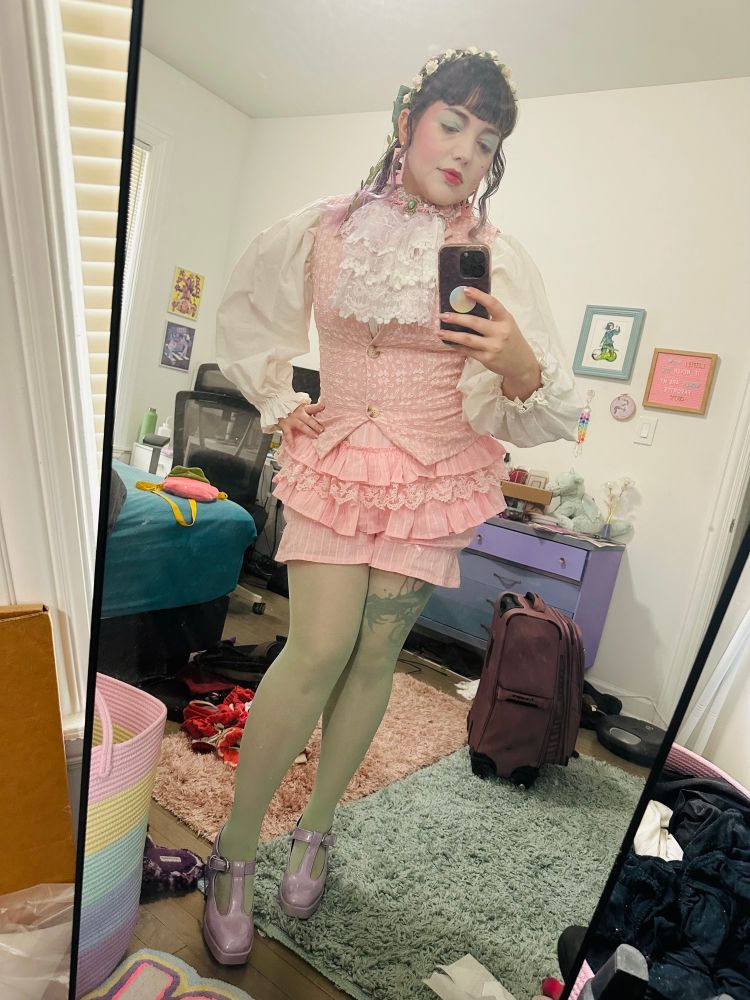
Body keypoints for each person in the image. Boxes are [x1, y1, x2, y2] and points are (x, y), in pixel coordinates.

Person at [206, 47, 582, 966]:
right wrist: (278, 399)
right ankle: (233, 851)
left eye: (488, 142)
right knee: (320, 646)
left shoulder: (496, 259)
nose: (466, 151)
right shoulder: (325, 227)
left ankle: (320, 830)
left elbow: (532, 398)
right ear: (409, 118)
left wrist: (518, 361)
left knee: (376, 654)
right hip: (338, 459)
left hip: (435, 470)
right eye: (453, 123)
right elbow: (248, 314)